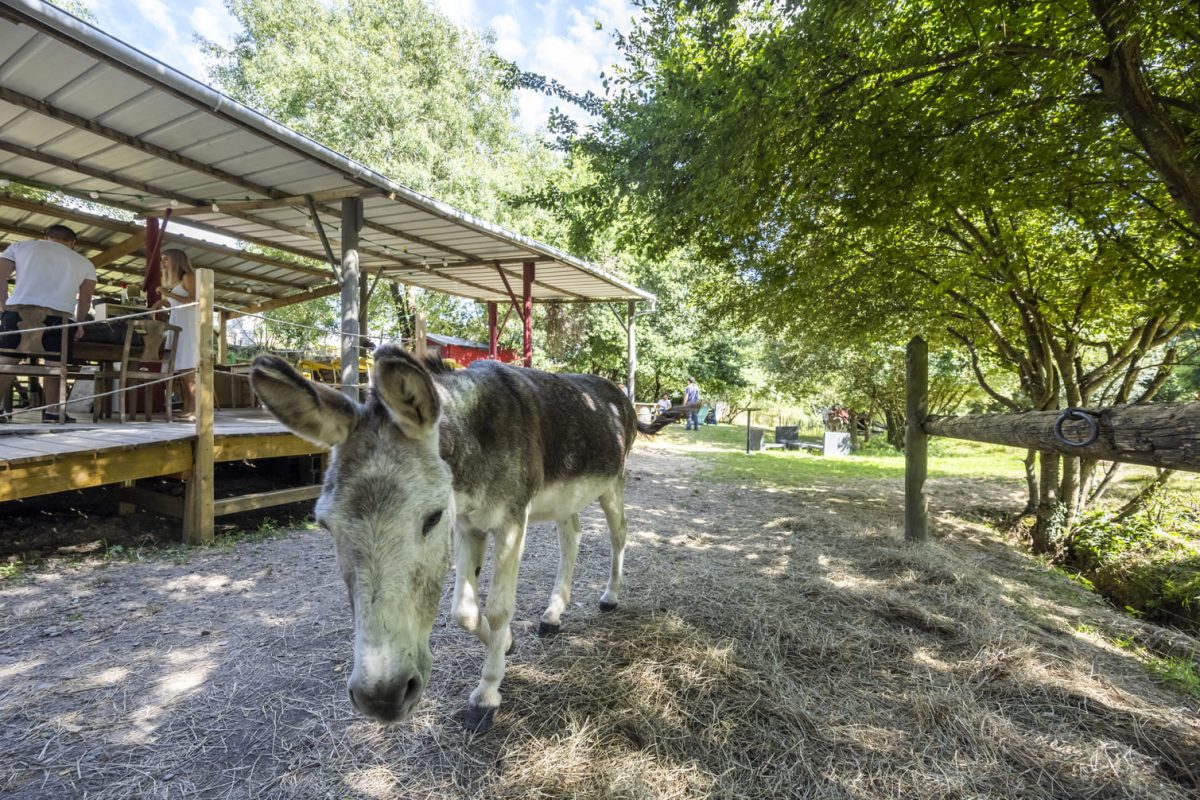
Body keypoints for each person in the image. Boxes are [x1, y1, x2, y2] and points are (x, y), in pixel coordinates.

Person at [0, 225, 96, 423]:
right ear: (73, 243)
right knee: (55, 365)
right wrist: (79, 323)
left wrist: (2, 305)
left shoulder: (20, 247)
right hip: (59, 319)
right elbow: (85, 299)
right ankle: (53, 412)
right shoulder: (85, 262)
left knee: (6, 363)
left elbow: (1, 276)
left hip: (18, 313)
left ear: (45, 237)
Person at [151, 249, 198, 421]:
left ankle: (192, 411)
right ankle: (188, 409)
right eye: (162, 259)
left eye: (166, 259)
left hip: (188, 330)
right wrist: (163, 302)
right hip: (178, 329)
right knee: (183, 372)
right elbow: (179, 303)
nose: (163, 263)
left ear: (177, 261)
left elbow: (195, 301)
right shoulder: (180, 282)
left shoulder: (188, 276)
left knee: (188, 372)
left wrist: (168, 293)